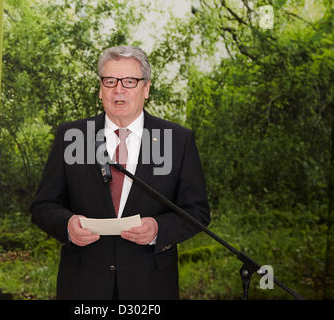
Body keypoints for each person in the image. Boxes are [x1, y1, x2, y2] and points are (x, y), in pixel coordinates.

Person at [30, 46, 210, 300]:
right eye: (110, 81)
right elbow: (43, 206)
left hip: (150, 287)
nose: (119, 90)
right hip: (83, 286)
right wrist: (67, 226)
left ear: (146, 89)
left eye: (129, 81)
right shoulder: (72, 137)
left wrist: (159, 228)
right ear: (100, 89)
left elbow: (197, 212)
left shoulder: (177, 141)